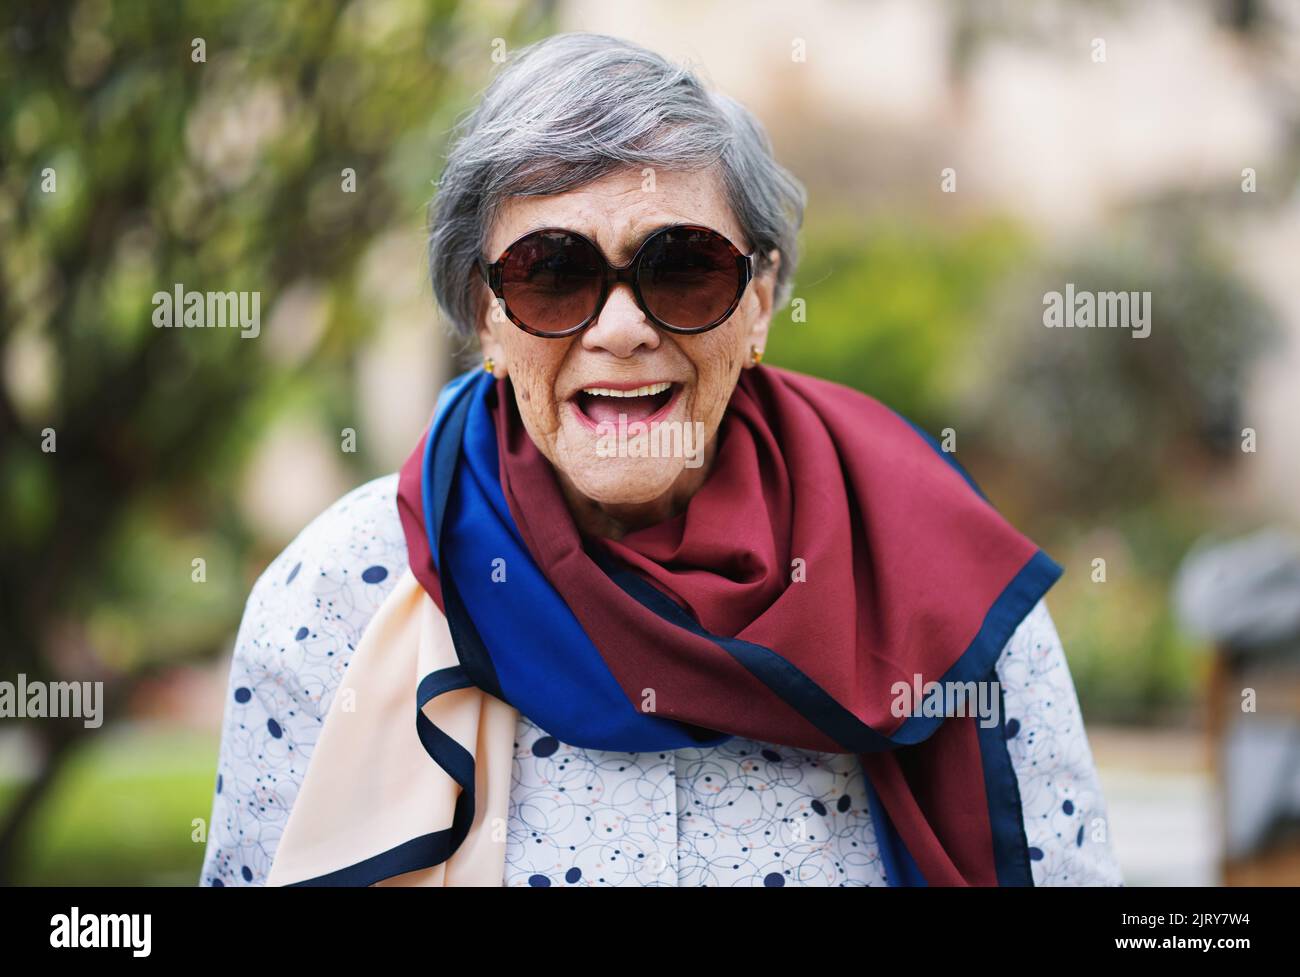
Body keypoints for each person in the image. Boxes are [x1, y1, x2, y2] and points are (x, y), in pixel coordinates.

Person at [200, 31, 1123, 887]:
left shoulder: (940, 584)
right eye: (553, 273)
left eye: (683, 266)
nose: (622, 329)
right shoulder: (332, 600)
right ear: (485, 315)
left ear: (760, 303)